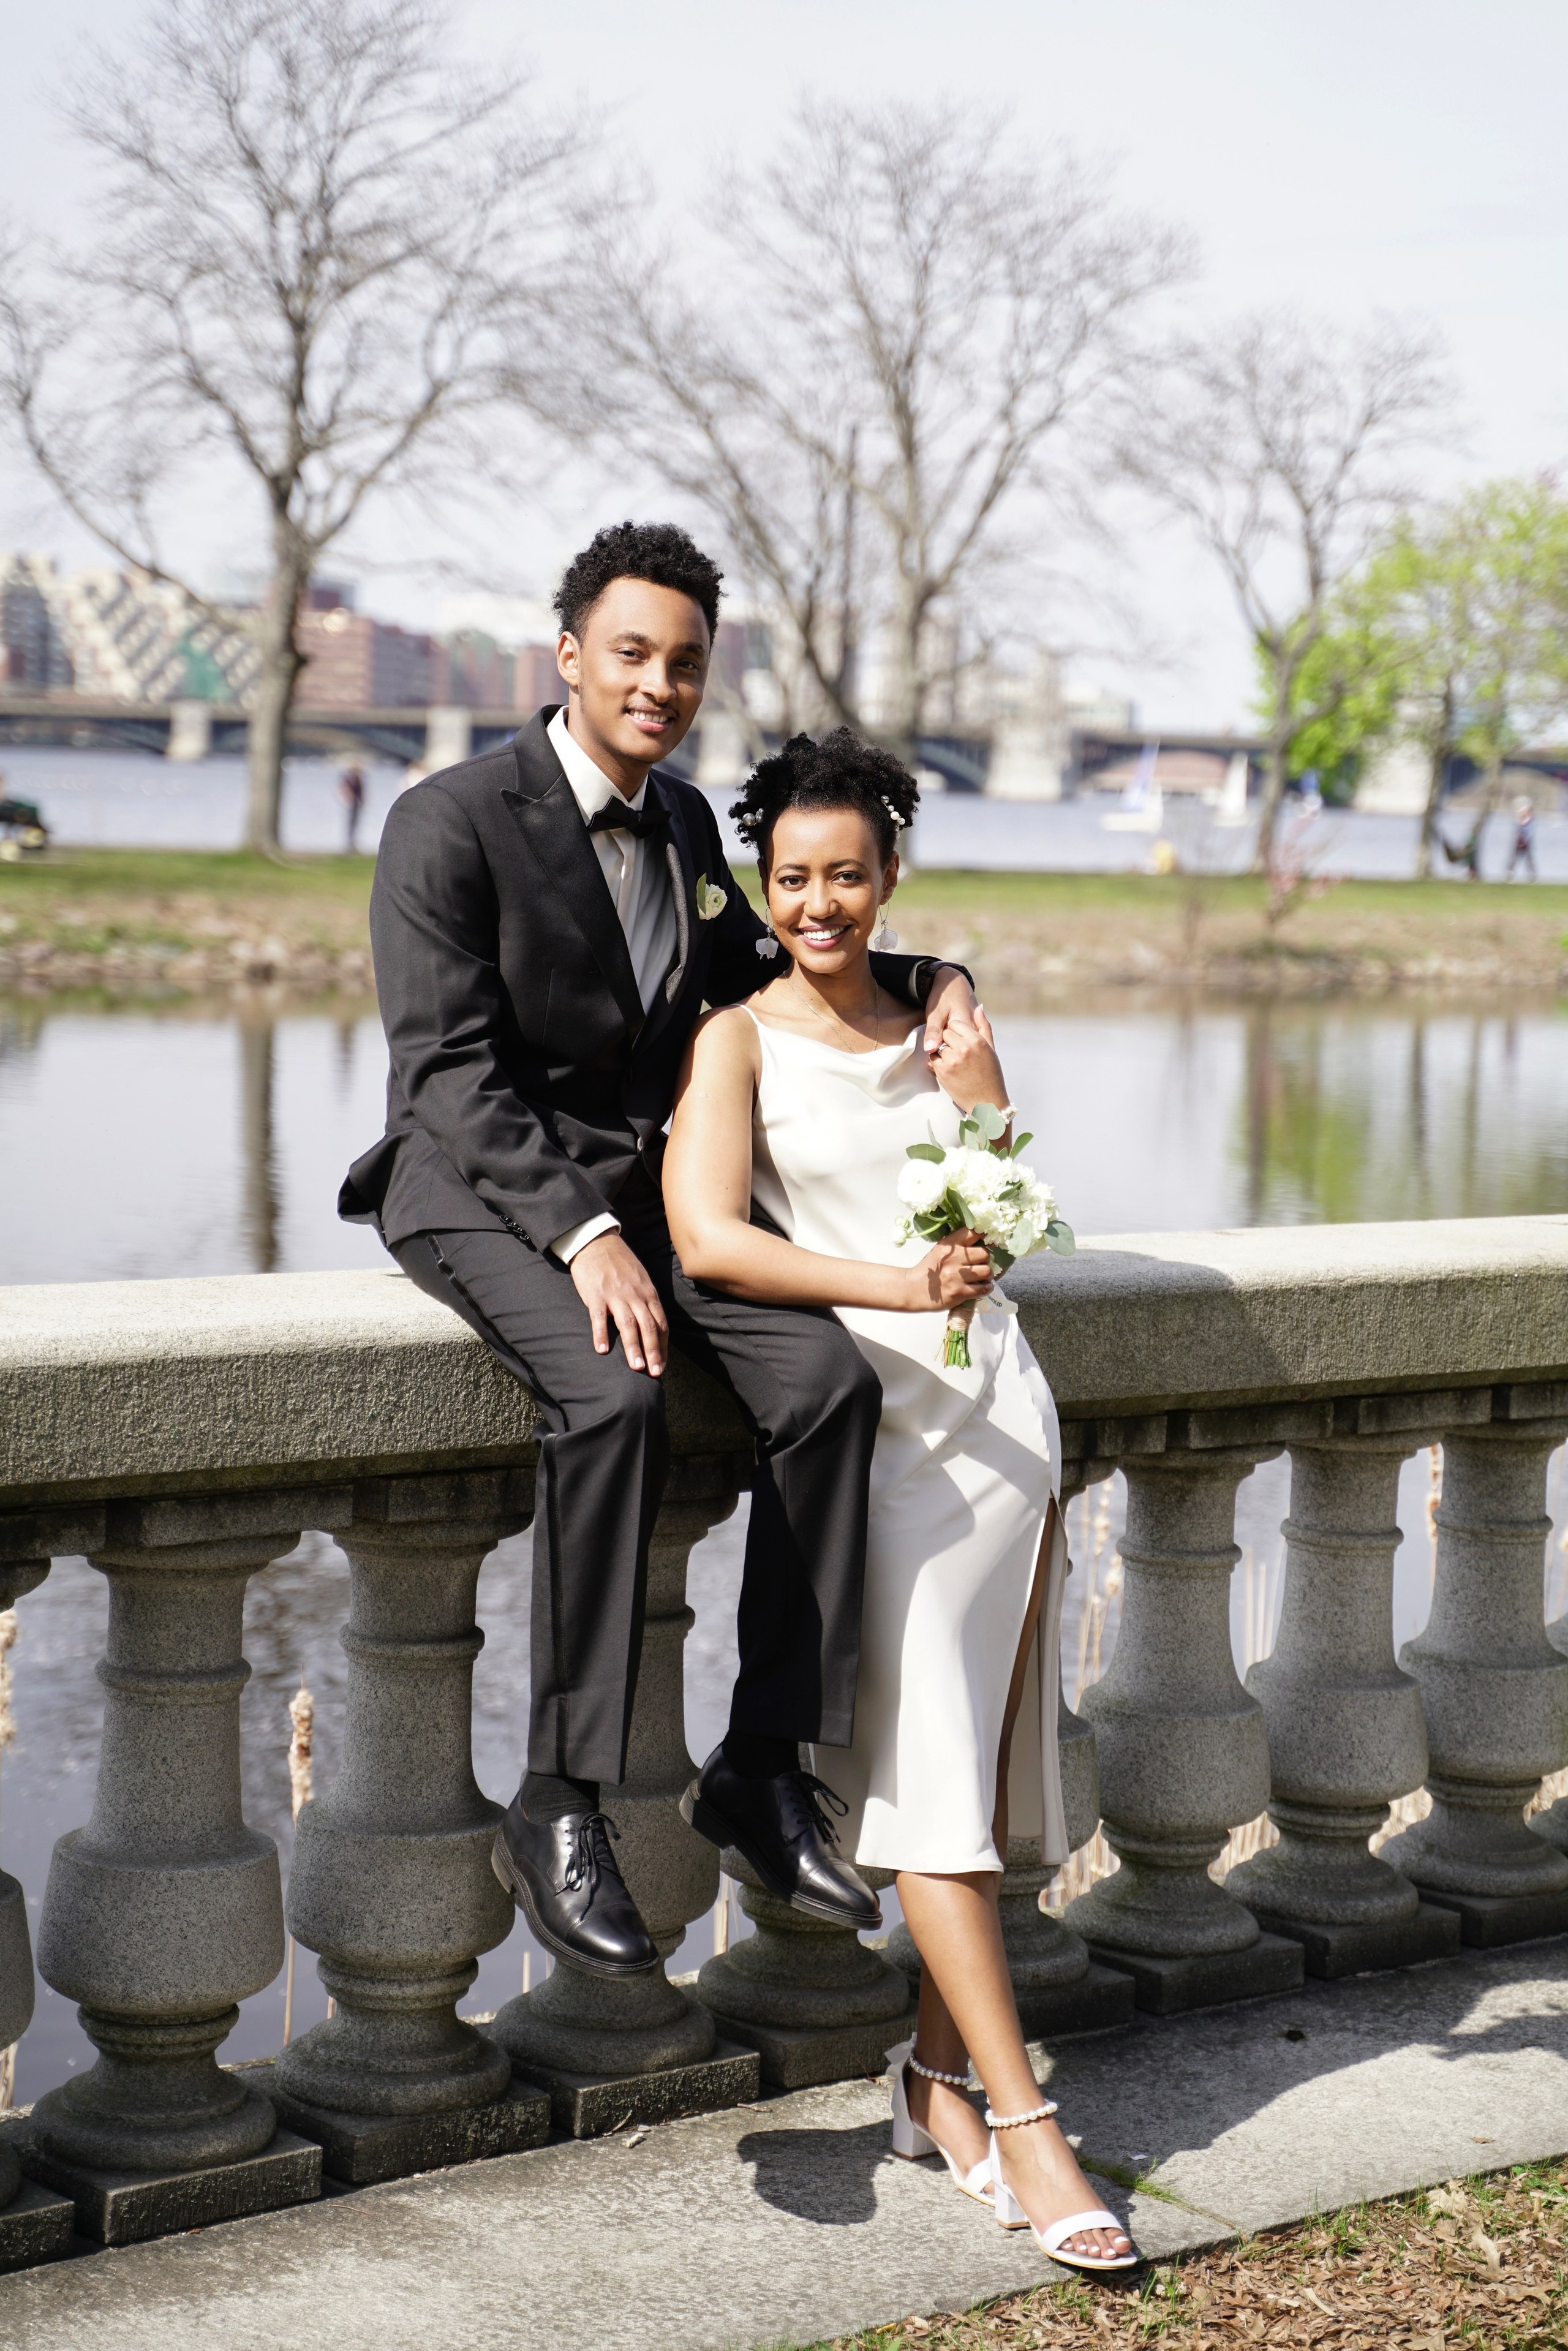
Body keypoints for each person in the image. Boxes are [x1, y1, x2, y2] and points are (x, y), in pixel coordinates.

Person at [339, 520, 978, 1980]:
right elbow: (445, 1070)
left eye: (683, 663)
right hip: (472, 1186)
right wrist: (577, 1238)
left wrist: (939, 975)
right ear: (567, 655)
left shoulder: (689, 828)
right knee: (614, 1396)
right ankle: (557, 1797)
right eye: (630, 653)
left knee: (823, 1389)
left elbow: (775, 971)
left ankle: (757, 1766)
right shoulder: (446, 818)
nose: (659, 683)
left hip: (647, 1196)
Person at [662, 728, 1137, 2278]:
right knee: (932, 1775)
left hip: (1002, 1415)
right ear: (763, 883)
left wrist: (982, 1112)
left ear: (887, 879)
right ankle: (1023, 2119)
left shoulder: (943, 1016)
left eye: (845, 875)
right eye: (790, 877)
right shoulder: (733, 1040)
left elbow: (993, 1192)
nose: (817, 903)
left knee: (985, 1776)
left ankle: (931, 2085)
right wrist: (889, 1280)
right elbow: (711, 1240)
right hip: (882, 1436)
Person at [339, 763, 365, 853]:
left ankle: (352, 844)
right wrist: (349, 798)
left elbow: (361, 792)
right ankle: (349, 844)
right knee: (350, 824)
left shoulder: (358, 779)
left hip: (357, 804)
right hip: (351, 804)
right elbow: (344, 789)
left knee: (355, 823)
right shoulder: (349, 779)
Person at [1508, 797, 1537, 880]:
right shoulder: (1520, 820)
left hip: (1526, 841)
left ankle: (1532, 875)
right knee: (1515, 858)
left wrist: (1524, 841)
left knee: (1528, 859)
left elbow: (1527, 829)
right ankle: (1510, 873)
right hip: (1519, 840)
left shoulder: (1529, 820)